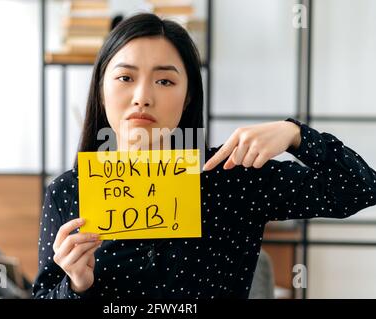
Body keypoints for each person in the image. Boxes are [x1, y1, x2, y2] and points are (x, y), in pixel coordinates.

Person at [32, 13, 376, 299]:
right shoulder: (67, 191)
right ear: (102, 93)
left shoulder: (234, 177)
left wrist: (296, 135)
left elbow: (361, 188)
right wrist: (75, 285)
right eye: (125, 77)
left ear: (187, 97)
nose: (142, 97)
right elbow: (44, 294)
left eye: (165, 81)